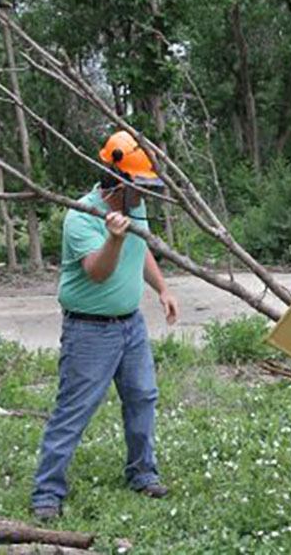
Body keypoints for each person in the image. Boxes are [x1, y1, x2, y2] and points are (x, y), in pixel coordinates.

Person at [31, 131, 179, 520]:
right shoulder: (81, 215)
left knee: (143, 396)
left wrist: (162, 288)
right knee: (74, 409)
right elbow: (97, 272)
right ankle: (47, 493)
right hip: (90, 331)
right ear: (118, 180)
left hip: (131, 325)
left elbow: (140, 246)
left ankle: (142, 473)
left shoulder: (136, 207)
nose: (146, 194)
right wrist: (113, 238)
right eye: (141, 186)